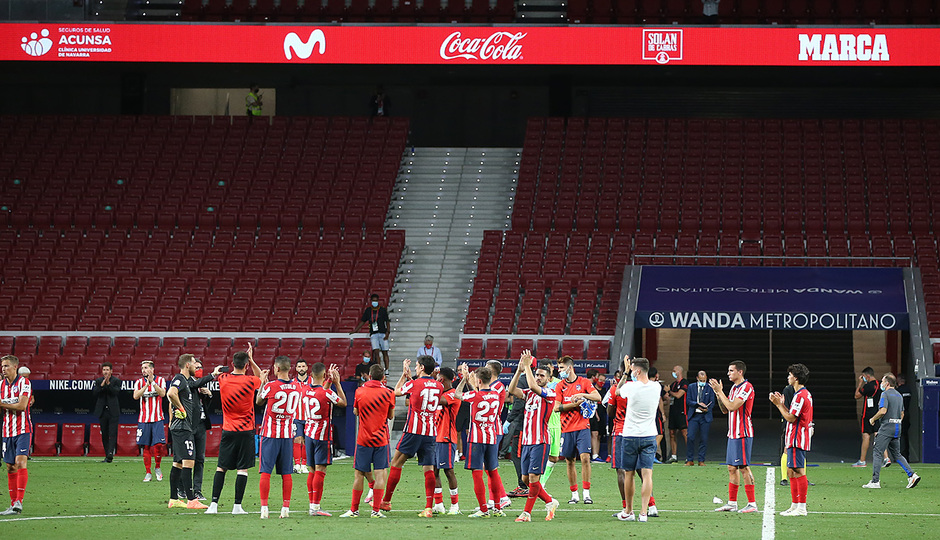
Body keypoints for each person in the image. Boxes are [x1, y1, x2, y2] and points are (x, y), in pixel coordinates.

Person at [206, 345, 264, 515]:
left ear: (232, 364)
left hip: (228, 430)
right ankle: (237, 506)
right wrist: (252, 359)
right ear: (246, 365)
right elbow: (261, 376)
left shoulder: (223, 378)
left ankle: (213, 505)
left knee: (221, 467)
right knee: (242, 469)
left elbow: (218, 374)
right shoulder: (251, 381)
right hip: (246, 430)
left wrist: (216, 371)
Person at [383, 356, 444, 516]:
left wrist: (404, 376)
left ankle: (386, 501)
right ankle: (428, 508)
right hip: (430, 432)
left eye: (417, 366)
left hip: (413, 430)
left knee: (396, 462)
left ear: (422, 367)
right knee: (429, 468)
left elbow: (396, 392)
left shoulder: (414, 383)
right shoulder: (439, 386)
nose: (415, 368)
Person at [506, 351, 560, 523]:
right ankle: (550, 502)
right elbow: (511, 390)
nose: (538, 377)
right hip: (527, 441)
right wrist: (519, 370)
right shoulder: (528, 394)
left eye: (542, 375)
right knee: (525, 479)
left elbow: (534, 387)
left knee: (533, 478)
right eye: (536, 374)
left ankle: (526, 514)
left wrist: (528, 368)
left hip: (540, 441)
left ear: (549, 379)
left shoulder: (550, 394)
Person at [604, 358, 660, 520]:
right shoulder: (656, 387)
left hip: (630, 435)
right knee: (647, 473)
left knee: (628, 474)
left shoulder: (630, 387)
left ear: (636, 371)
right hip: (649, 434)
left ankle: (628, 511)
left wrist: (626, 372)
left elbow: (616, 391)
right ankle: (644, 512)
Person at [341, 364, 395, 518]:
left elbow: (355, 411)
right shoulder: (389, 393)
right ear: (383, 377)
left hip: (363, 439)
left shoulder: (360, 391)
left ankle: (354, 510)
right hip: (381, 440)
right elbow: (390, 416)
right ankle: (376, 511)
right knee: (380, 475)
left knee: (358, 475)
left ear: (369, 376)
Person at [455, 363, 505, 518]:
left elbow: (458, 394)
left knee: (477, 473)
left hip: (477, 439)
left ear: (479, 381)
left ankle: (483, 509)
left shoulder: (475, 396)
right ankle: (497, 507)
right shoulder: (496, 394)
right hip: (491, 437)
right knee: (493, 472)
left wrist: (464, 380)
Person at [256, 356, 302, 519]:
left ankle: (264, 510)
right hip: (287, 435)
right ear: (289, 369)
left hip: (270, 434)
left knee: (265, 472)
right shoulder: (297, 387)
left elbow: (259, 401)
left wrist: (262, 381)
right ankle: (285, 509)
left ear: (276, 368)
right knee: (286, 473)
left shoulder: (271, 386)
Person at [710, 360, 758, 514]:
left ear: (740, 372)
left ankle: (752, 503)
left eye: (731, 371)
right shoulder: (733, 389)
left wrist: (721, 392)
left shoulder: (747, 387)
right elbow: (725, 409)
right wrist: (719, 393)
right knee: (731, 468)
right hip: (732, 433)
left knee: (743, 467)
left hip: (742, 433)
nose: (728, 373)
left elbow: (732, 406)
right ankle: (732, 503)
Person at [166, 354, 213, 510]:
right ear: (187, 365)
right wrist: (180, 408)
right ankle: (192, 500)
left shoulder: (187, 382)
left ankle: (174, 499)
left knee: (178, 463)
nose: (196, 367)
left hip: (182, 427)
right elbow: (171, 393)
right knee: (189, 462)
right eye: (194, 364)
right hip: (182, 427)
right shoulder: (179, 379)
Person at [553, 355, 601, 504]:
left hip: (582, 427)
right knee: (569, 461)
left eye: (561, 368)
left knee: (585, 458)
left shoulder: (584, 382)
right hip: (566, 428)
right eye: (559, 368)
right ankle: (574, 495)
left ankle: (586, 493)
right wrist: (574, 405)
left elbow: (597, 397)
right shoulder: (560, 386)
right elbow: (556, 407)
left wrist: (582, 395)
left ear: (570, 368)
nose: (559, 371)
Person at [301, 363, 347, 516]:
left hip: (309, 434)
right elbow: (343, 402)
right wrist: (337, 383)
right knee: (321, 470)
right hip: (322, 435)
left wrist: (328, 379)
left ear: (311, 375)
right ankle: (315, 508)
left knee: (312, 470)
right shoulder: (327, 393)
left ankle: (311, 505)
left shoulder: (306, 390)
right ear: (323, 375)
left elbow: (320, 391)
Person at [863, 374, 921, 490]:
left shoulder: (885, 394)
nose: (881, 384)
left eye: (883, 382)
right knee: (897, 454)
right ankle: (912, 475)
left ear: (887, 383)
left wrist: (873, 419)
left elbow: (883, 411)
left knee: (877, 451)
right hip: (897, 427)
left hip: (887, 427)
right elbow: (902, 413)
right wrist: (897, 422)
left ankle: (875, 481)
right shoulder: (899, 395)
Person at [769, 363, 813, 516]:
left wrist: (778, 405)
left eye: (789, 375)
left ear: (795, 378)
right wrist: (782, 404)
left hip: (797, 438)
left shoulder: (800, 396)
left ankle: (802, 507)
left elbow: (790, 418)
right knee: (791, 471)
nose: (788, 377)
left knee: (798, 471)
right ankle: (795, 505)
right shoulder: (800, 394)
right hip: (794, 437)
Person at [0, 355, 31, 515]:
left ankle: (19, 501)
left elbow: (22, 405)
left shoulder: (24, 383)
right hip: (7, 431)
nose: (3, 369)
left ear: (14, 367)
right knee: (11, 467)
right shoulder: (0, 385)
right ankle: (13, 505)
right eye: (2, 366)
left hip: (23, 430)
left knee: (20, 463)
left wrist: (1, 404)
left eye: (6, 366)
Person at [432, 366, 461, 515]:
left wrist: (430, 387)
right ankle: (438, 504)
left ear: (441, 380)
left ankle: (455, 505)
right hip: (435, 437)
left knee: (448, 471)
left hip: (446, 438)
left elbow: (441, 400)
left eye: (437, 379)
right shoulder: (442, 392)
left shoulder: (452, 394)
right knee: (434, 471)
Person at [132, 360, 167, 483]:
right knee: (146, 446)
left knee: (158, 445)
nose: (143, 370)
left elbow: (163, 394)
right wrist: (146, 385)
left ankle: (157, 467)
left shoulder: (161, 380)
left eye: (146, 368)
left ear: (152, 369)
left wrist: (153, 383)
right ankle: (148, 472)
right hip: (144, 419)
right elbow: (136, 396)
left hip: (157, 418)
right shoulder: (139, 382)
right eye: (142, 368)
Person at [484, 359, 510, 511]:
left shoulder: (497, 386)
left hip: (493, 428)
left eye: (487, 367)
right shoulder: (491, 385)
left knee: (490, 466)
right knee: (488, 467)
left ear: (492, 371)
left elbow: (486, 398)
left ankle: (500, 498)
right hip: (488, 429)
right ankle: (496, 499)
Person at [189, 359, 216, 501]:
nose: (199, 369)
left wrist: (209, 395)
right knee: (187, 459)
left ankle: (197, 490)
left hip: (200, 424)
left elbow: (204, 405)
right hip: (189, 425)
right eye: (197, 367)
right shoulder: (186, 381)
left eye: (201, 367)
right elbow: (193, 385)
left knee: (200, 458)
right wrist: (213, 374)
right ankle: (183, 489)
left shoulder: (202, 384)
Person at [352, 293, 391, 374]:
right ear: (371, 301)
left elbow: (387, 321)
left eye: (376, 301)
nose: (375, 302)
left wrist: (388, 332)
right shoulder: (368, 310)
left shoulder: (382, 310)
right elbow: (363, 321)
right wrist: (356, 330)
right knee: (376, 352)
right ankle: (380, 369)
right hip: (373, 334)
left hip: (383, 333)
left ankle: (387, 369)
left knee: (385, 352)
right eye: (373, 300)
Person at [92, 361, 122, 463]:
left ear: (111, 371)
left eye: (107, 370)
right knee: (104, 433)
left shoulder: (116, 381)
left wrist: (108, 384)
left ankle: (110, 453)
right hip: (102, 411)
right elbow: (95, 393)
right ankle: (107, 455)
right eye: (104, 370)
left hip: (113, 411)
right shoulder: (98, 381)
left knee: (112, 433)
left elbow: (116, 392)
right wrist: (101, 385)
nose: (105, 372)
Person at [685, 370, 715, 466]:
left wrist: (707, 408)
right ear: (697, 378)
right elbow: (688, 401)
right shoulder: (691, 387)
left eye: (704, 380)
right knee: (690, 437)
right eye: (701, 380)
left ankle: (701, 460)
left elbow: (712, 402)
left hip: (705, 416)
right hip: (694, 416)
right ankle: (690, 459)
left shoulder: (710, 388)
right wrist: (697, 404)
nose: (703, 382)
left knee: (704, 438)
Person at [854, 367, 881, 467]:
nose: (863, 378)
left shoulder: (868, 386)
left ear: (867, 376)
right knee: (879, 436)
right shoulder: (880, 384)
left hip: (867, 414)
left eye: (864, 376)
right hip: (878, 413)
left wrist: (860, 383)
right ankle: (886, 458)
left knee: (866, 436)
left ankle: (862, 460)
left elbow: (857, 395)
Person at [292, 359, 311, 474]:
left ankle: (304, 465)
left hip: (309, 417)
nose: (301, 368)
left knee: (306, 441)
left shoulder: (312, 381)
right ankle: (297, 464)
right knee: (297, 439)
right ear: (296, 369)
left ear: (307, 368)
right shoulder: (292, 383)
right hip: (296, 417)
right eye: (299, 366)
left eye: (303, 366)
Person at [666, 365, 688, 464]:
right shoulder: (673, 384)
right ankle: (673, 456)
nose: (673, 372)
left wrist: (669, 391)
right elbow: (668, 398)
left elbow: (679, 395)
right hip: (673, 412)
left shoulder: (684, 383)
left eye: (674, 370)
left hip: (682, 411)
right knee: (672, 433)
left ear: (679, 371)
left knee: (685, 433)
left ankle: (689, 456)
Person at [586, 369, 608, 462]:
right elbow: (592, 403)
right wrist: (595, 414)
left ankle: (596, 455)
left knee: (598, 435)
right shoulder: (591, 388)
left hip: (602, 414)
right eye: (600, 379)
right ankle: (593, 455)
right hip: (593, 413)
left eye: (604, 381)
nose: (602, 382)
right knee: (594, 433)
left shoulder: (604, 390)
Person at [896, 375, 912, 460]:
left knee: (900, 435)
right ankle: (906, 455)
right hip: (907, 413)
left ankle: (900, 455)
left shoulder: (898, 391)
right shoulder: (908, 390)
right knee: (905, 435)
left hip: (900, 415)